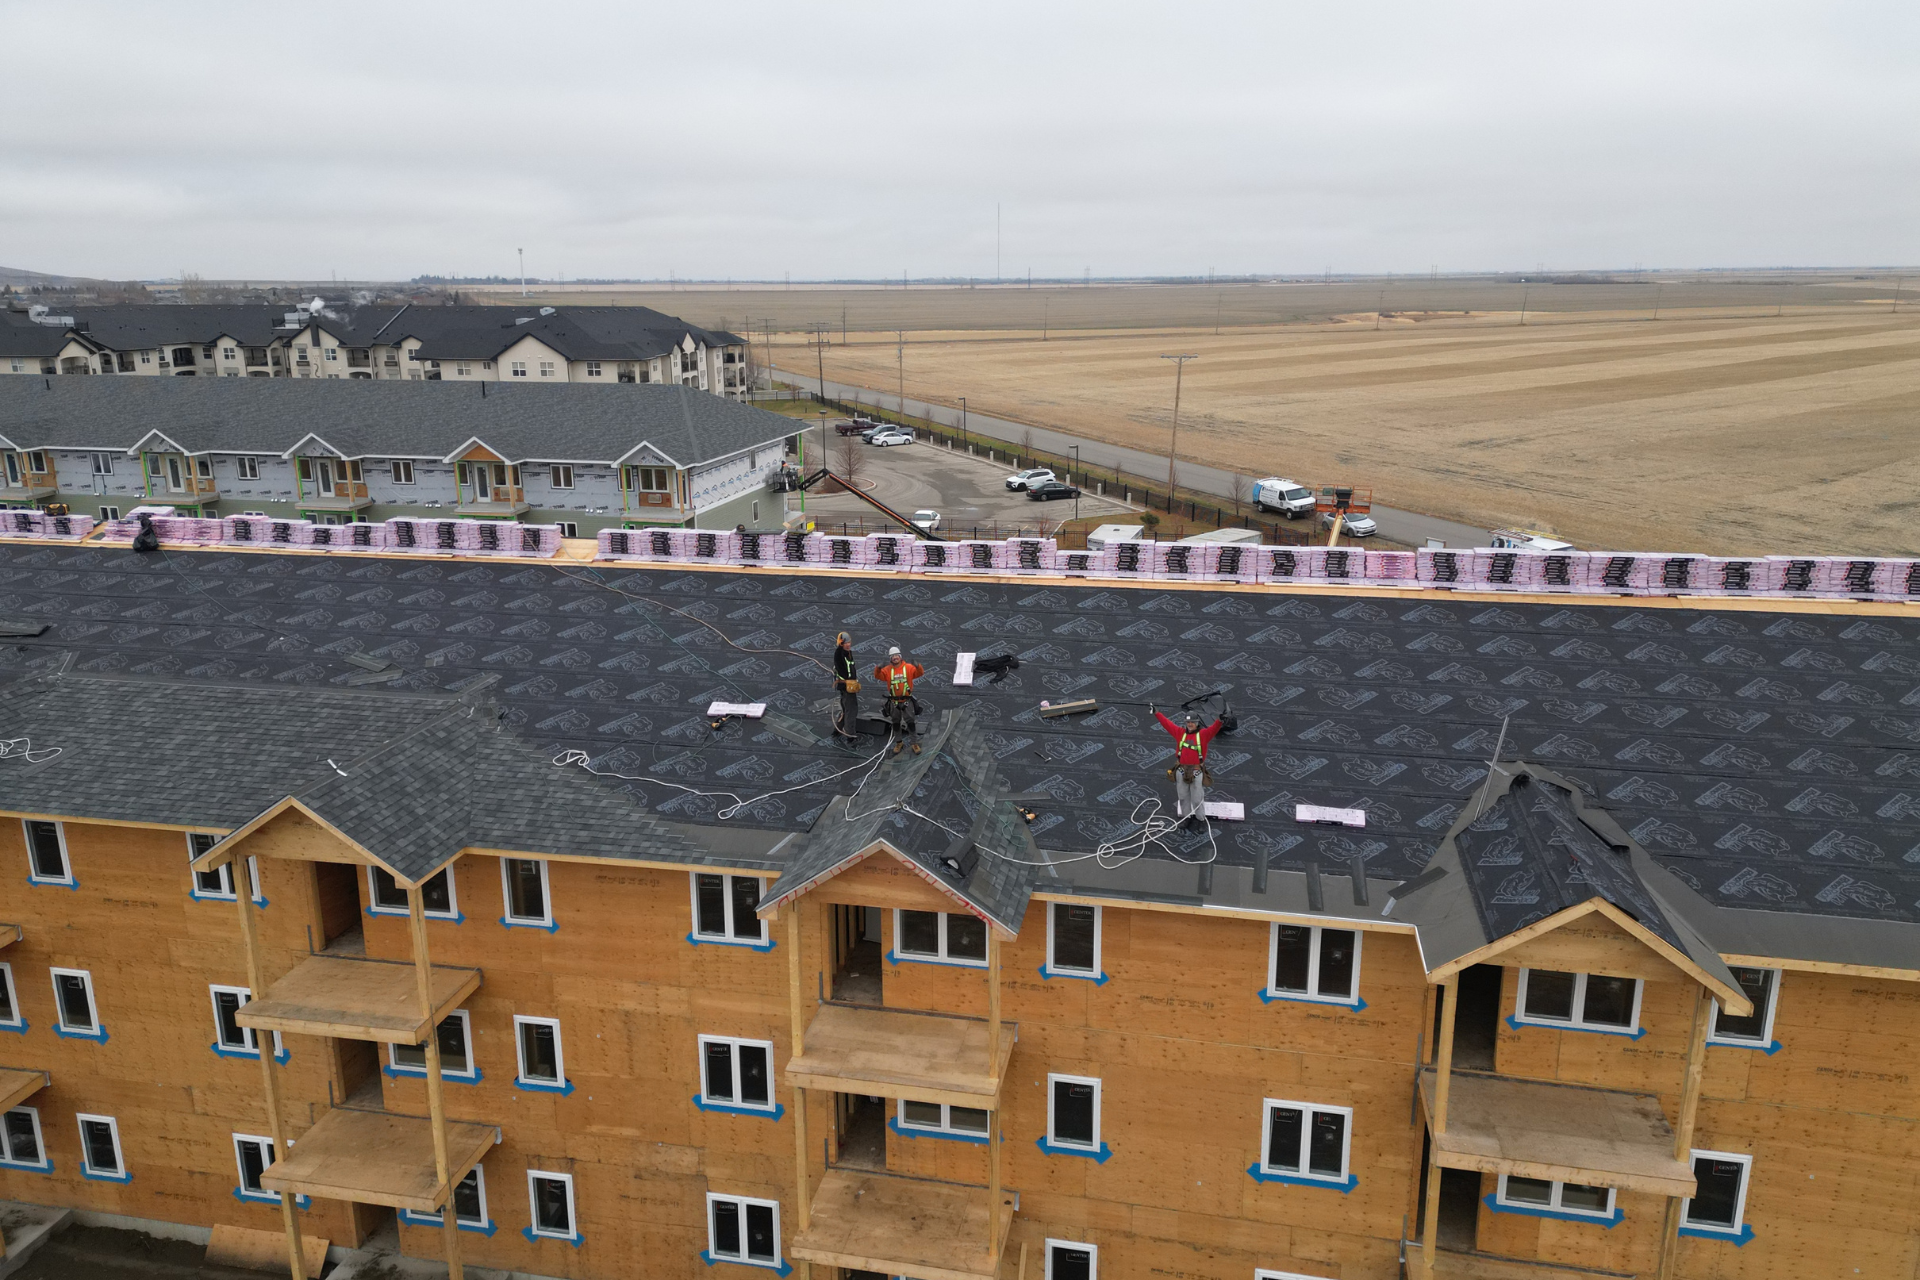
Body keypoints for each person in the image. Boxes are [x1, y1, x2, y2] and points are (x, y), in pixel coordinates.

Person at [1152, 706, 1222, 823]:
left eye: (1192, 722)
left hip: (1196, 771)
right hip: (1181, 770)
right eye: (1188, 722)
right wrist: (1157, 713)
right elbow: (1167, 724)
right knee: (1183, 797)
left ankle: (1200, 819)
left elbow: (1214, 728)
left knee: (1197, 799)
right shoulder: (1180, 733)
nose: (1190, 724)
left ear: (1197, 723)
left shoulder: (1204, 735)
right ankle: (1186, 818)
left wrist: (1220, 720)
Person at [874, 645, 926, 754]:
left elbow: (920, 673)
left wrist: (918, 666)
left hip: (907, 701)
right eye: (892, 656)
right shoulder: (887, 670)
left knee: (910, 722)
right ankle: (899, 742)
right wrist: (878, 669)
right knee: (896, 723)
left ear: (900, 656)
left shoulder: (908, 668)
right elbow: (878, 676)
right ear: (890, 659)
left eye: (896, 655)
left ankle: (914, 743)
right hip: (894, 702)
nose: (895, 658)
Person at [832, 632, 860, 740]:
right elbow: (838, 653)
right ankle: (850, 736)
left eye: (849, 642)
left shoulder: (848, 653)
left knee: (845, 710)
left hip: (849, 686)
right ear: (841, 644)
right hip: (846, 688)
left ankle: (837, 730)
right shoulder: (840, 654)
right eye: (846, 643)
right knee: (851, 711)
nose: (848, 645)